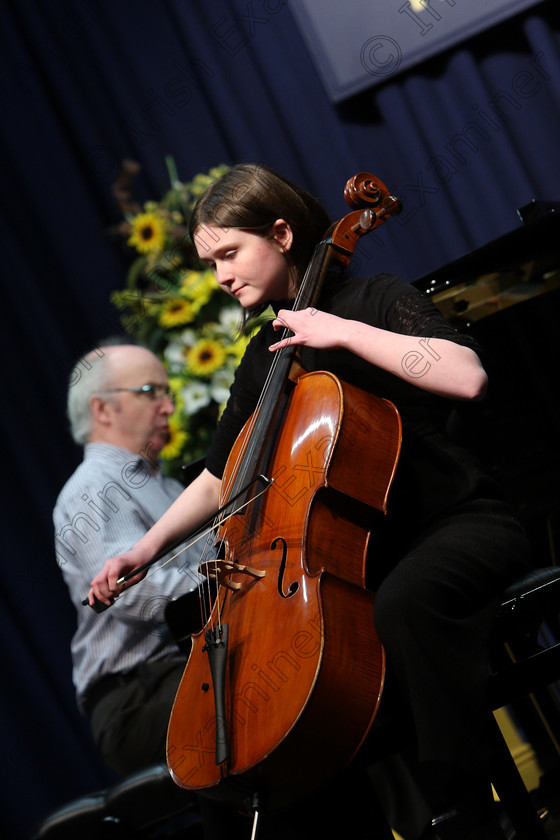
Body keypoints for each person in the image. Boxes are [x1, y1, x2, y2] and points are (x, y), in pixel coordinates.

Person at [88, 165, 533, 839]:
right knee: (256, 689)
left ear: (281, 232)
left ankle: (470, 811)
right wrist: (145, 551)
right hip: (351, 558)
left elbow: (466, 376)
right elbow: (219, 478)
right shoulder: (263, 356)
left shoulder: (377, 298)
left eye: (229, 255)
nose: (220, 277)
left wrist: (343, 333)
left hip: (455, 524)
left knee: (404, 608)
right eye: (210, 264)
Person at [54, 339, 203, 777]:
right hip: (136, 697)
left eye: (167, 392)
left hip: (181, 667)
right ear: (103, 410)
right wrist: (237, 579)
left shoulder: (168, 488)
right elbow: (139, 599)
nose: (169, 408)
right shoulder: (92, 488)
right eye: (150, 392)